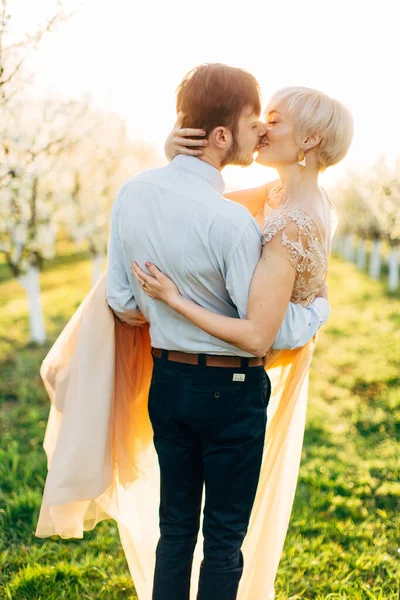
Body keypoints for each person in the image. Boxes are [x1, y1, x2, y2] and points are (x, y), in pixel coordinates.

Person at [34, 65, 344, 600]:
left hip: (169, 383)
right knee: (223, 539)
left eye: (272, 122)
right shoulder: (235, 223)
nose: (263, 132)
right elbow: (261, 331)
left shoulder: (134, 193)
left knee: (174, 529)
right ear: (224, 135)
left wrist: (170, 312)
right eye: (257, 121)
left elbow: (124, 302)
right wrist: (318, 312)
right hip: (233, 392)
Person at [131, 85, 354, 597]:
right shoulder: (291, 200)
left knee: (209, 536)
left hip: (228, 387)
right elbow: (203, 208)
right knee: (207, 533)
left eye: (274, 119)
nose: (262, 127)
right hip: (222, 392)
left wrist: (174, 299)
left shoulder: (290, 224)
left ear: (311, 138)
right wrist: (176, 159)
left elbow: (256, 335)